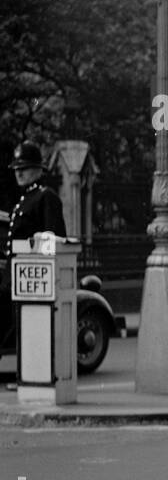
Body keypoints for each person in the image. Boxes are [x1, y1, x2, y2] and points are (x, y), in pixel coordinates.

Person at [1, 141, 67, 353]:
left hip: (30, 277)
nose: (19, 173)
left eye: (24, 168)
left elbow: (53, 240)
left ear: (38, 170)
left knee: (23, 329)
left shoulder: (45, 197)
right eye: (16, 169)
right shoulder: (23, 200)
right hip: (13, 278)